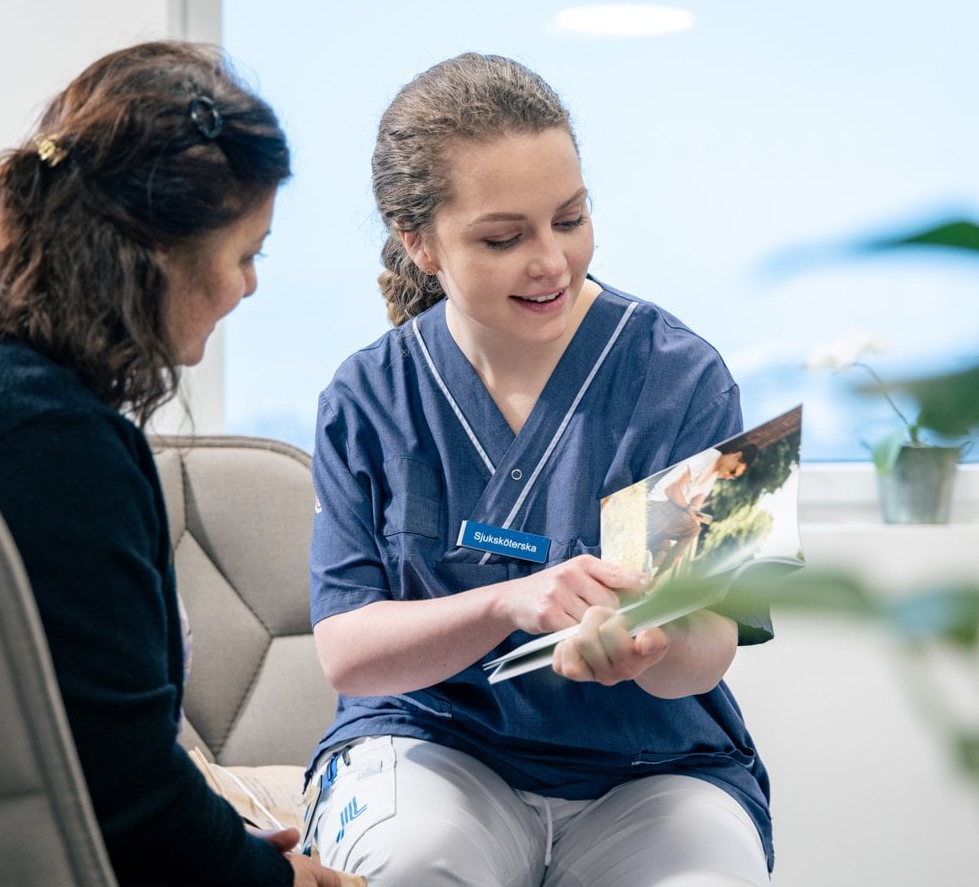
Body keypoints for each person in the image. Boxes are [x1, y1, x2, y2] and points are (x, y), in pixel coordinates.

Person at [0, 40, 350, 887]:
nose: (251, 287)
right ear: (154, 256)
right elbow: (127, 803)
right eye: (245, 254)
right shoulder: (49, 443)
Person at [303, 53, 774, 886]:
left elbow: (711, 648)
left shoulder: (684, 379)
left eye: (570, 218)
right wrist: (504, 602)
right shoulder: (368, 394)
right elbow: (347, 651)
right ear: (418, 243)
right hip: (432, 747)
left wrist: (652, 641)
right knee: (412, 866)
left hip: (653, 771)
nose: (552, 261)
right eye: (504, 237)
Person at [646, 438, 759, 576]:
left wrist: (693, 513)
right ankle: (654, 580)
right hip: (657, 503)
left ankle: (652, 565)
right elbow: (672, 489)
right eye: (733, 471)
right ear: (736, 456)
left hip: (667, 513)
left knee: (664, 552)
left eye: (733, 477)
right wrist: (688, 509)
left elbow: (695, 506)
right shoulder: (706, 459)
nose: (729, 476)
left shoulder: (712, 477)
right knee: (693, 530)